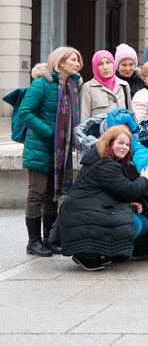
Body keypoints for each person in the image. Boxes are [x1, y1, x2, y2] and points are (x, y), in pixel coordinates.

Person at [54, 125, 148, 270]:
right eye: (120, 143)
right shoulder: (106, 164)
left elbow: (108, 192)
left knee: (142, 222)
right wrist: (145, 179)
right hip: (81, 214)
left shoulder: (105, 159)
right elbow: (128, 191)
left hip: (88, 210)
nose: (124, 147)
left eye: (127, 144)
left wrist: (128, 205)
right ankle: (85, 254)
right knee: (136, 224)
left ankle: (102, 251)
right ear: (109, 143)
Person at [20, 46, 83, 257]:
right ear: (60, 62)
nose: (77, 63)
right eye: (73, 60)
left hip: (59, 150)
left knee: (52, 194)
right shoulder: (42, 84)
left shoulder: (72, 86)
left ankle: (50, 238)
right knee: (36, 193)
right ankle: (34, 242)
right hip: (40, 146)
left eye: (78, 60)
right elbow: (25, 112)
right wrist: (50, 132)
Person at [80, 50, 130, 119]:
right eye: (100, 64)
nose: (105, 67)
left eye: (108, 62)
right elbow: (84, 118)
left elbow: (130, 114)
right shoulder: (88, 88)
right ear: (95, 67)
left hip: (121, 129)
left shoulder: (123, 85)